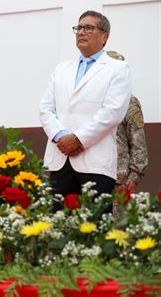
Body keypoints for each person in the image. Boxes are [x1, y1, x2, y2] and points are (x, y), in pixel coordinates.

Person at [39, 11, 131, 204]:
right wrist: (60, 136)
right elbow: (46, 108)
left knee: (94, 226)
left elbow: (113, 112)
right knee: (57, 225)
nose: (81, 32)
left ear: (105, 36)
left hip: (95, 161)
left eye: (88, 28)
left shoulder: (118, 68)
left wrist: (79, 139)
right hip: (60, 157)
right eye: (78, 28)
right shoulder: (61, 69)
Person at [105, 51, 149, 193]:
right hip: (92, 176)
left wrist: (135, 175)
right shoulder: (90, 100)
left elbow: (138, 142)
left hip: (118, 179)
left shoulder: (129, 102)